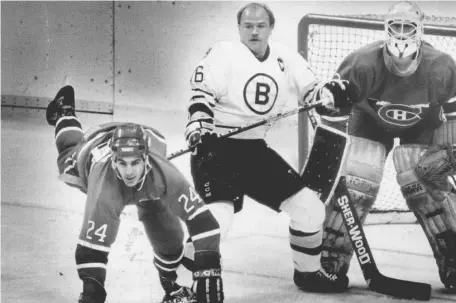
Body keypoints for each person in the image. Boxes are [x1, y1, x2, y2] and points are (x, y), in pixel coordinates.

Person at [184, 2, 353, 293]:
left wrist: (328, 95)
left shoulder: (286, 57)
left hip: (253, 150)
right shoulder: (222, 53)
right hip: (215, 148)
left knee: (309, 209)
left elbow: (312, 90)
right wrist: (199, 126)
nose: (254, 31)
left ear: (270, 28)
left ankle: (308, 274)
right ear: (239, 28)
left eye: (260, 26)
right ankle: (185, 259)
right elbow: (200, 97)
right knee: (220, 218)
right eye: (248, 26)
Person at [317, 0, 456, 290]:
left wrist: (446, 152)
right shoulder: (361, 63)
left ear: (420, 30)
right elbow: (332, 116)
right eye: (396, 26)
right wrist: (335, 163)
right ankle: (328, 262)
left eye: (409, 26)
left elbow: (453, 117)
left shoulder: (441, 65)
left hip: (422, 125)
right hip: (368, 123)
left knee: (422, 180)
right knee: (357, 179)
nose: (402, 33)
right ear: (386, 28)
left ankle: (452, 261)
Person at [46, 85, 224, 303]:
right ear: (113, 161)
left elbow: (204, 222)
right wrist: (92, 292)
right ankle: (64, 112)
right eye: (122, 163)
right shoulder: (103, 187)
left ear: (146, 159)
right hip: (95, 143)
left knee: (168, 234)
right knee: (68, 155)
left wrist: (209, 266)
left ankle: (170, 284)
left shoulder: (163, 173)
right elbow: (90, 252)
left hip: (150, 166)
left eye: (135, 163)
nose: (129, 172)